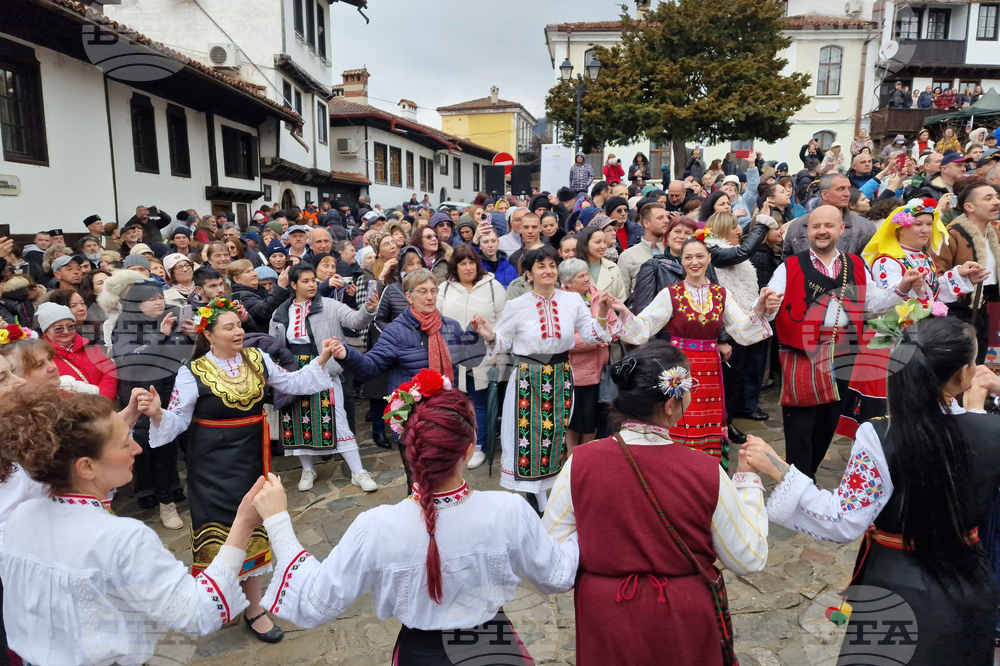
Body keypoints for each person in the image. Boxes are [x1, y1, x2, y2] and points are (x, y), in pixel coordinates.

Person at [250, 381, 578, 664]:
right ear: (467, 450)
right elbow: (559, 577)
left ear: (409, 451)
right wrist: (575, 519)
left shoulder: (376, 527)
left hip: (419, 654)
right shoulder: (509, 511)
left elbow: (313, 602)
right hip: (494, 650)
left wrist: (278, 520)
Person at [745, 315, 1000, 665]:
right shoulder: (991, 431)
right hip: (968, 578)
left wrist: (777, 467)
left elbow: (842, 520)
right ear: (963, 376)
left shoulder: (879, 436)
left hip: (894, 583)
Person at [0, 391, 266, 665]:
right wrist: (243, 524)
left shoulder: (23, 515)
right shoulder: (121, 537)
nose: (136, 449)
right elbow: (198, 613)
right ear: (87, 467)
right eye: (124, 442)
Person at [543, 341, 768, 665]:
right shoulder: (705, 471)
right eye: (689, 385)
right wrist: (747, 482)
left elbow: (553, 551)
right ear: (669, 405)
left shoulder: (580, 462)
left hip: (605, 612)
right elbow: (748, 557)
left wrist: (605, 536)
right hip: (680, 616)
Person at [140, 297, 342, 643]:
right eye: (229, 327)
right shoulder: (192, 373)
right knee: (219, 531)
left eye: (239, 324)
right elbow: (175, 423)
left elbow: (291, 384)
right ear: (210, 334)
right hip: (211, 465)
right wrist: (157, 413)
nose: (238, 331)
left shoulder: (257, 358)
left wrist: (322, 357)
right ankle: (216, 600)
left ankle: (253, 607)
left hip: (252, 459)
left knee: (254, 528)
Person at [761, 205, 923, 479]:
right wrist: (766, 303)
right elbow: (769, 304)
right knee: (800, 427)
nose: (821, 231)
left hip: (845, 354)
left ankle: (807, 478)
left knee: (828, 422)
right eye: (815, 226)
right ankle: (799, 483)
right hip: (802, 356)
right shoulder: (789, 267)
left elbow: (873, 304)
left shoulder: (857, 264)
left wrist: (902, 287)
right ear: (807, 231)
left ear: (841, 229)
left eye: (828, 225)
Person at [611, 237, 777, 469]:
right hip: (679, 367)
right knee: (680, 417)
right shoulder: (671, 293)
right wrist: (623, 312)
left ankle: (707, 471)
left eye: (700, 256)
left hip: (711, 369)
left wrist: (759, 308)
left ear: (709, 259)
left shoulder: (721, 294)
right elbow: (644, 326)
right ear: (681, 260)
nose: (694, 262)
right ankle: (677, 470)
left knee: (709, 419)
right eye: (688, 257)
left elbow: (741, 330)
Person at [471, 245, 612, 512]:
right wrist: (489, 334)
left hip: (561, 375)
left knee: (557, 434)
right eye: (541, 266)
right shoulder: (516, 305)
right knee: (530, 435)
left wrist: (602, 311)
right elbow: (501, 342)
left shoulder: (571, 300)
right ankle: (535, 496)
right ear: (529, 273)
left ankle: (555, 491)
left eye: (551, 265)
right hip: (528, 377)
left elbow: (594, 334)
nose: (548, 270)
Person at [837, 198, 985, 438]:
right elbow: (886, 306)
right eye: (918, 224)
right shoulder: (886, 261)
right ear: (900, 227)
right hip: (890, 341)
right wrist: (909, 290)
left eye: (929, 223)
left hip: (918, 337)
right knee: (890, 405)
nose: (926, 230)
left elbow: (933, 294)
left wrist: (959, 276)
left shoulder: (924, 257)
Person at [332, 268, 488, 493]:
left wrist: (475, 336)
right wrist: (347, 355)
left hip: (446, 417)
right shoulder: (396, 331)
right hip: (413, 421)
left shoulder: (449, 326)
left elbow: (470, 362)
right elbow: (369, 368)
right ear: (408, 296)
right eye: (423, 291)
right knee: (417, 483)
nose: (430, 296)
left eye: (433, 290)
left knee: (448, 478)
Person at [268, 264, 378, 493]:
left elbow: (356, 321)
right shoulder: (280, 312)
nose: (311, 285)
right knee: (296, 420)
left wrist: (368, 308)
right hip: (292, 371)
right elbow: (274, 344)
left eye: (313, 281)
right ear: (294, 285)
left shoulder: (330, 305)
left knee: (338, 419)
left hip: (324, 367)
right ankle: (308, 469)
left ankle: (358, 471)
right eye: (305, 281)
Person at [111, 280, 190, 528]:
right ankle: (166, 505)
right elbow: (132, 360)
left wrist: (191, 334)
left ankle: (177, 491)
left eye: (159, 296)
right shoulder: (124, 325)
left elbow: (184, 352)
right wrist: (160, 336)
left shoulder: (171, 317)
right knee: (157, 448)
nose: (158, 301)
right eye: (150, 298)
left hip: (175, 389)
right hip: (144, 392)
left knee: (180, 445)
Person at [436, 246, 507, 469]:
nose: (468, 268)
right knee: (456, 402)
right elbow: (436, 319)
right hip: (453, 354)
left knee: (480, 403)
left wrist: (489, 334)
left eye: (471, 263)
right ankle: (458, 445)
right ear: (455, 267)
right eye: (462, 263)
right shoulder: (444, 289)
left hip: (484, 354)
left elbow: (503, 320)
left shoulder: (493, 287)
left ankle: (480, 446)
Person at [930, 181, 1000, 362]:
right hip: (955, 315)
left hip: (983, 311)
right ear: (969, 207)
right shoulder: (950, 235)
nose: (996, 202)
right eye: (988, 198)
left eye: (996, 197)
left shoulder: (995, 234)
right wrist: (961, 278)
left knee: (978, 370)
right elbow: (934, 279)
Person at [559, 258, 620, 450]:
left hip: (599, 370)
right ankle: (571, 454)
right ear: (567, 282)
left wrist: (602, 337)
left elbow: (614, 327)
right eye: (581, 276)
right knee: (572, 417)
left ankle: (584, 452)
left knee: (594, 417)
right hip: (572, 372)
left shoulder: (600, 297)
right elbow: (564, 339)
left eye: (587, 273)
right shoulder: (559, 302)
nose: (587, 278)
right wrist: (598, 340)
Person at [782, 174, 878, 258]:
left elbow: (869, 266)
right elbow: (787, 265)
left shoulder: (865, 228)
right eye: (840, 189)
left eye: (848, 189)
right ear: (825, 194)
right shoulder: (798, 226)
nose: (847, 194)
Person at [36, 300, 117, 400]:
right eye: (58, 328)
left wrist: (103, 398)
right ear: (46, 332)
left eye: (70, 326)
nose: (66, 332)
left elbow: (109, 370)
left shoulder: (89, 346)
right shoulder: (43, 357)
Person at [617, 202, 667, 295]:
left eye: (666, 216)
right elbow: (624, 295)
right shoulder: (627, 257)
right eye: (660, 218)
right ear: (646, 223)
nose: (666, 221)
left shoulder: (673, 252)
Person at [229, 259, 291, 332]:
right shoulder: (242, 296)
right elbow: (266, 311)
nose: (254, 274)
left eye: (252, 270)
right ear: (237, 279)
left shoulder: (259, 290)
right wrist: (281, 288)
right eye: (248, 272)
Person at [574, 226, 628, 301]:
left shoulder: (613, 268)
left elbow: (621, 300)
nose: (603, 246)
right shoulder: (572, 269)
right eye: (598, 242)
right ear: (585, 243)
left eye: (604, 242)